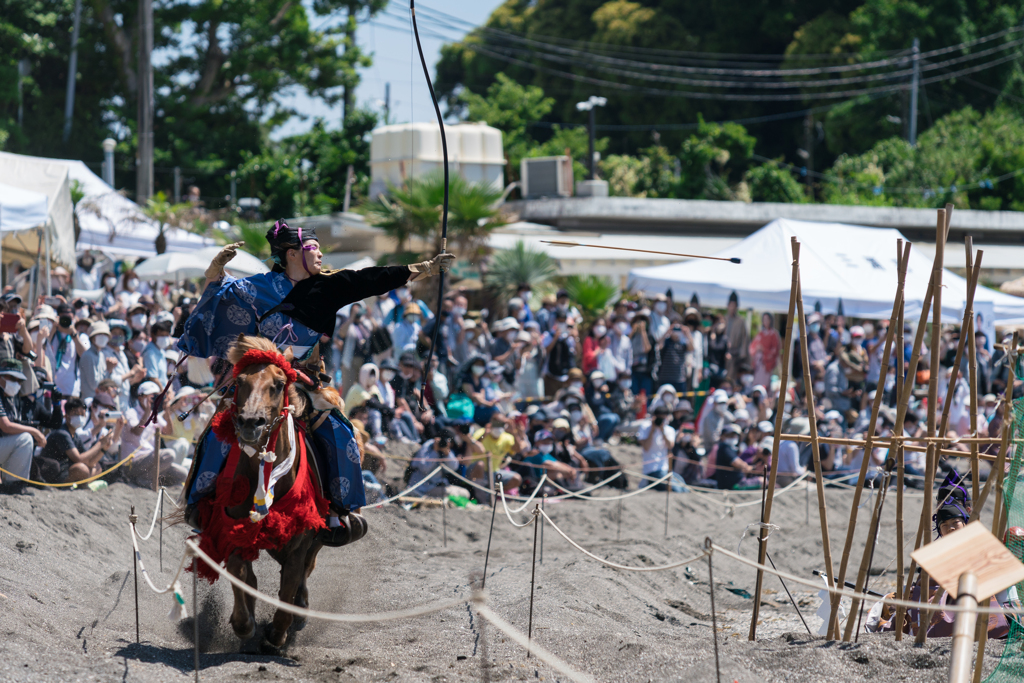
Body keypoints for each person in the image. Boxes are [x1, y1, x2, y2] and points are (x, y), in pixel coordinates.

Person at [178, 220, 452, 546]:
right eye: (313, 248)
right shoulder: (260, 287)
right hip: (260, 376)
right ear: (292, 254)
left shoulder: (331, 285)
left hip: (304, 379)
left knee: (342, 432)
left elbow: (373, 279)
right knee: (217, 428)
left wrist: (426, 268)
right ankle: (199, 504)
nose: (320, 253)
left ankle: (339, 510)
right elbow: (220, 294)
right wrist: (214, 269)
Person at [37, 398, 120, 483]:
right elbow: (78, 459)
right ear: (67, 416)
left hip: (67, 469)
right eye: (76, 413)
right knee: (81, 468)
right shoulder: (62, 433)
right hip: (54, 472)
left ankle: (81, 484)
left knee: (97, 467)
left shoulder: (75, 435)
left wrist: (103, 448)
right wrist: (100, 443)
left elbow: (90, 462)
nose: (80, 417)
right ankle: (79, 483)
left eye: (82, 414)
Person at [0, 361, 47, 484]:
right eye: (12, 378)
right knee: (24, 439)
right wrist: (34, 431)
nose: (16, 383)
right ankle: (14, 484)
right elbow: (6, 426)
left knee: (23, 438)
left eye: (19, 380)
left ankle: (9, 483)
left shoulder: (10, 399)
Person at [470, 414, 523, 495]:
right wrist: (485, 434)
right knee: (480, 465)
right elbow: (472, 448)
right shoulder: (481, 432)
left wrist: (513, 432)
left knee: (517, 479)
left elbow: (518, 450)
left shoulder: (507, 437)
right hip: (475, 471)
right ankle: (481, 497)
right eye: (496, 424)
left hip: (494, 472)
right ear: (491, 423)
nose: (498, 427)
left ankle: (492, 494)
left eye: (501, 424)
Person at [637, 405, 685, 491]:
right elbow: (646, 447)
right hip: (651, 470)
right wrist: (652, 430)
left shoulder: (669, 430)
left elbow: (670, 446)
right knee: (677, 489)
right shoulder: (645, 427)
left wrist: (662, 431)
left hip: (665, 469)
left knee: (684, 487)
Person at [713, 424, 763, 490]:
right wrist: (749, 467)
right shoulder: (724, 447)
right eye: (729, 435)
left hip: (735, 482)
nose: (732, 437)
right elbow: (737, 463)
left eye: (734, 435)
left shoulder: (730, 448)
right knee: (762, 481)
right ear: (722, 436)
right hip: (733, 485)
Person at [749, 313, 780, 390]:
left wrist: (764, 350)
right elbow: (752, 347)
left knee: (765, 385)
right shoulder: (760, 334)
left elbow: (775, 350)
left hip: (766, 364)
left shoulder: (774, 334)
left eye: (767, 319)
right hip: (758, 363)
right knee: (756, 385)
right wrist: (757, 349)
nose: (765, 321)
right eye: (764, 319)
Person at [724, 291, 749, 382]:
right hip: (723, 356)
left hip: (735, 357)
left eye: (734, 305)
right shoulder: (724, 319)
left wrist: (741, 357)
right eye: (731, 305)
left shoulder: (741, 321)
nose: (732, 308)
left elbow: (744, 340)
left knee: (732, 381)